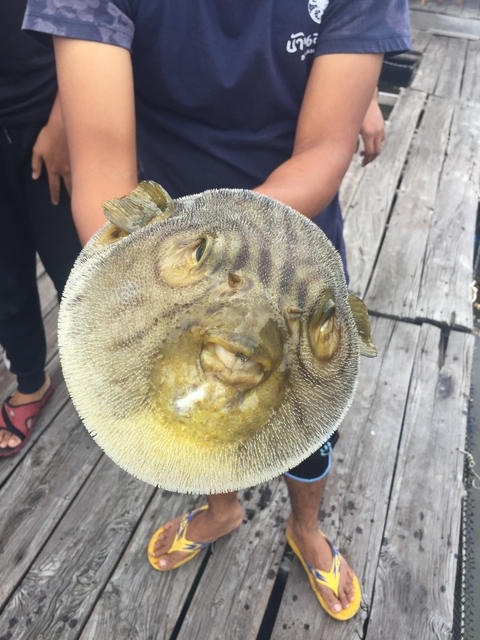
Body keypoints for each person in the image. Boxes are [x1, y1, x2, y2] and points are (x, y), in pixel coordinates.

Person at [23, 0, 410, 620]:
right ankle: (221, 506)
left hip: (291, 242)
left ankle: (306, 528)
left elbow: (323, 150)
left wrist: (218, 250)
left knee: (309, 426)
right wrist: (172, 275)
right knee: (202, 412)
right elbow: (104, 168)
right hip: (170, 259)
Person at [0, 0, 81, 457]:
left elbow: (96, 19)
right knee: (5, 277)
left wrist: (65, 118)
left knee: (79, 269)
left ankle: (111, 385)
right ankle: (31, 380)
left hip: (50, 115)